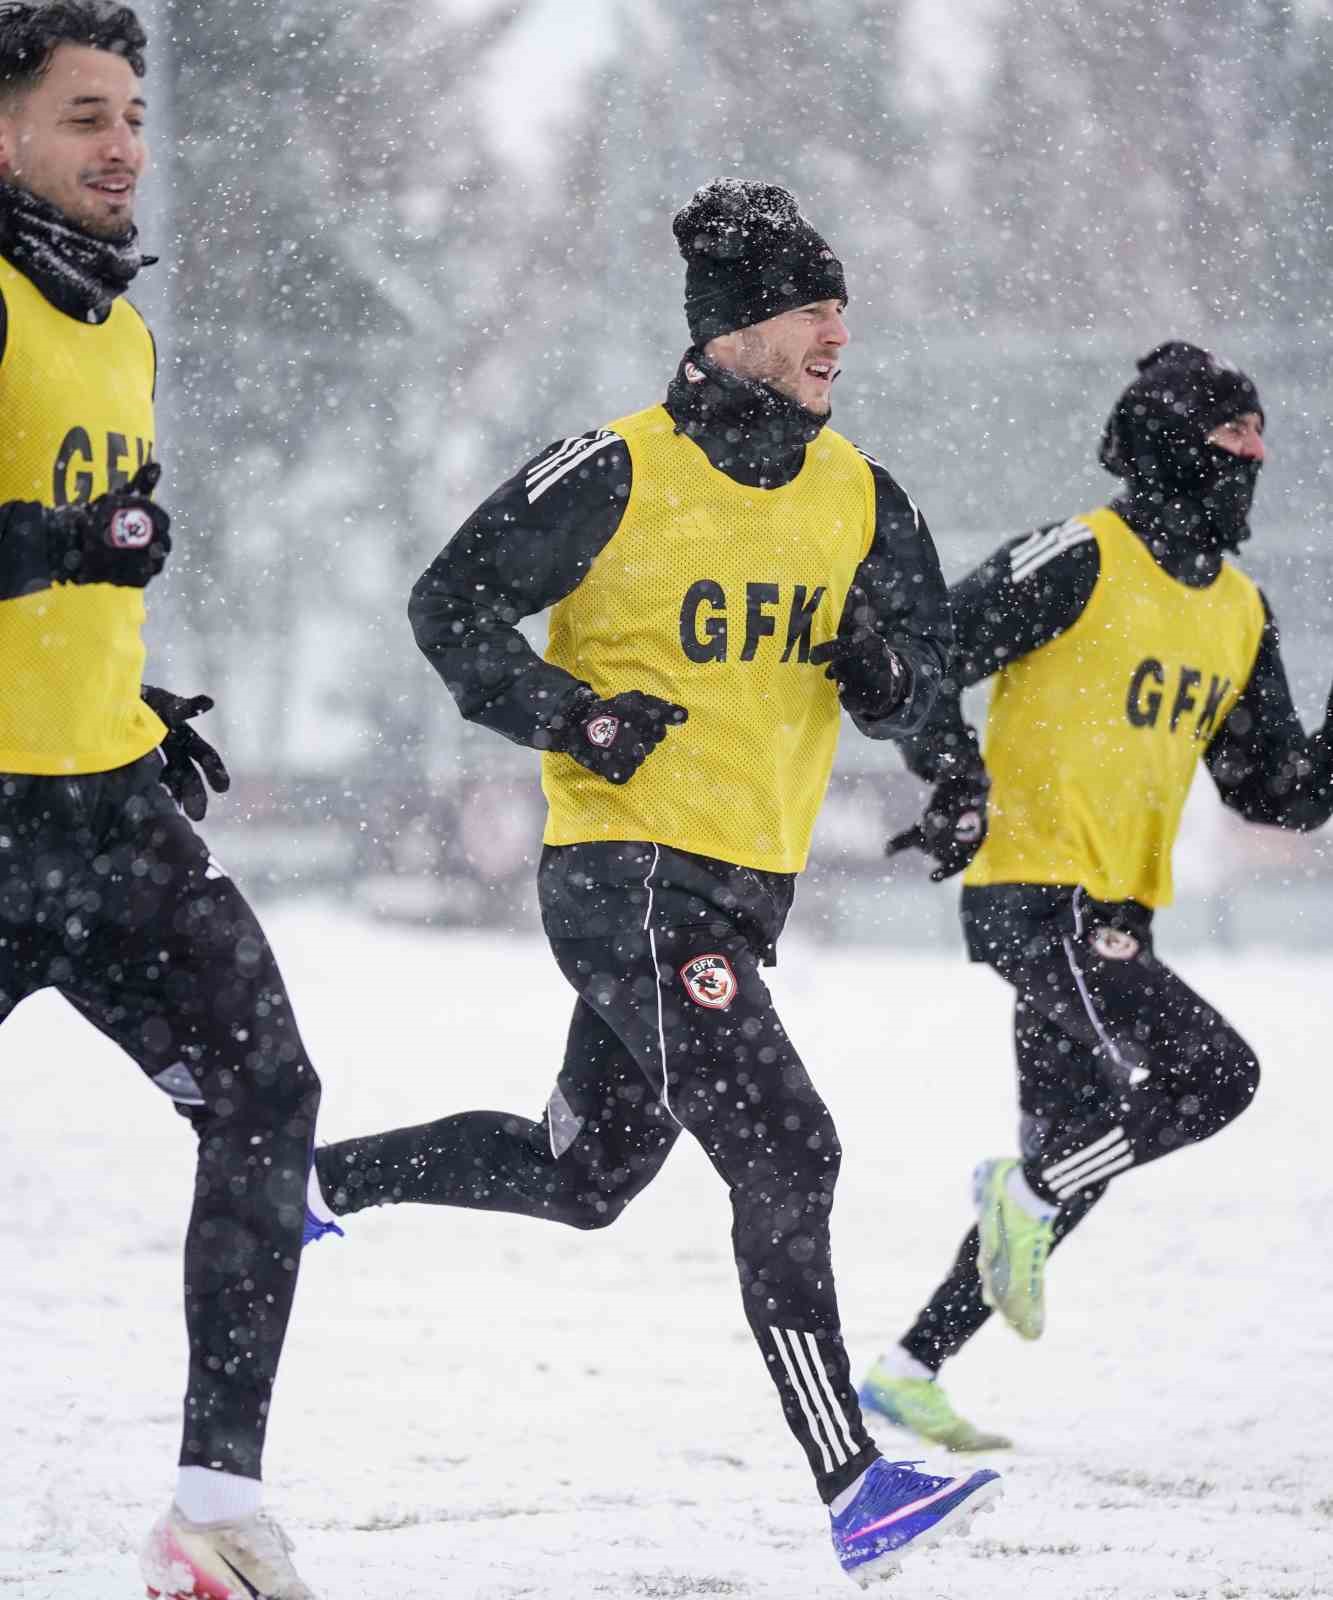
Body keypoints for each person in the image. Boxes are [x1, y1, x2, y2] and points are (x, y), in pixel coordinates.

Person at [307, 178, 1001, 1585]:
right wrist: (573, 716)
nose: (836, 331)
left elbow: (922, 677)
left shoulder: (867, 495)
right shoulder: (614, 470)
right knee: (791, 1150)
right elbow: (449, 606)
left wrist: (935, 744)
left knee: (581, 1177)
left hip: (745, 889)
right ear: (733, 328)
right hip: (625, 880)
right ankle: (853, 1489)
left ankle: (308, 1182)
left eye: (840, 305)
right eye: (809, 306)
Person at [856, 342, 1333, 1453]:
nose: (1253, 459)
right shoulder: (1078, 554)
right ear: (1170, 445)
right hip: (1034, 894)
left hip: (1118, 915)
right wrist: (954, 778)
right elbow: (923, 654)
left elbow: (1281, 794)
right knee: (1214, 1080)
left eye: (1262, 441)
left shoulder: (1242, 612)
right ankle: (1017, 1194)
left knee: (1084, 1149)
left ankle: (909, 1365)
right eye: (1231, 440)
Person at [0, 6, 325, 1595]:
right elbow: (55, 542)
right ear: (5, 138)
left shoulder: (116, 327)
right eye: (81, 116)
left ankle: (210, 1511)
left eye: (131, 112)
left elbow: (86, 563)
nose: (123, 141)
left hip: (107, 819)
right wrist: (62, 549)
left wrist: (125, 696)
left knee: (270, 1093)